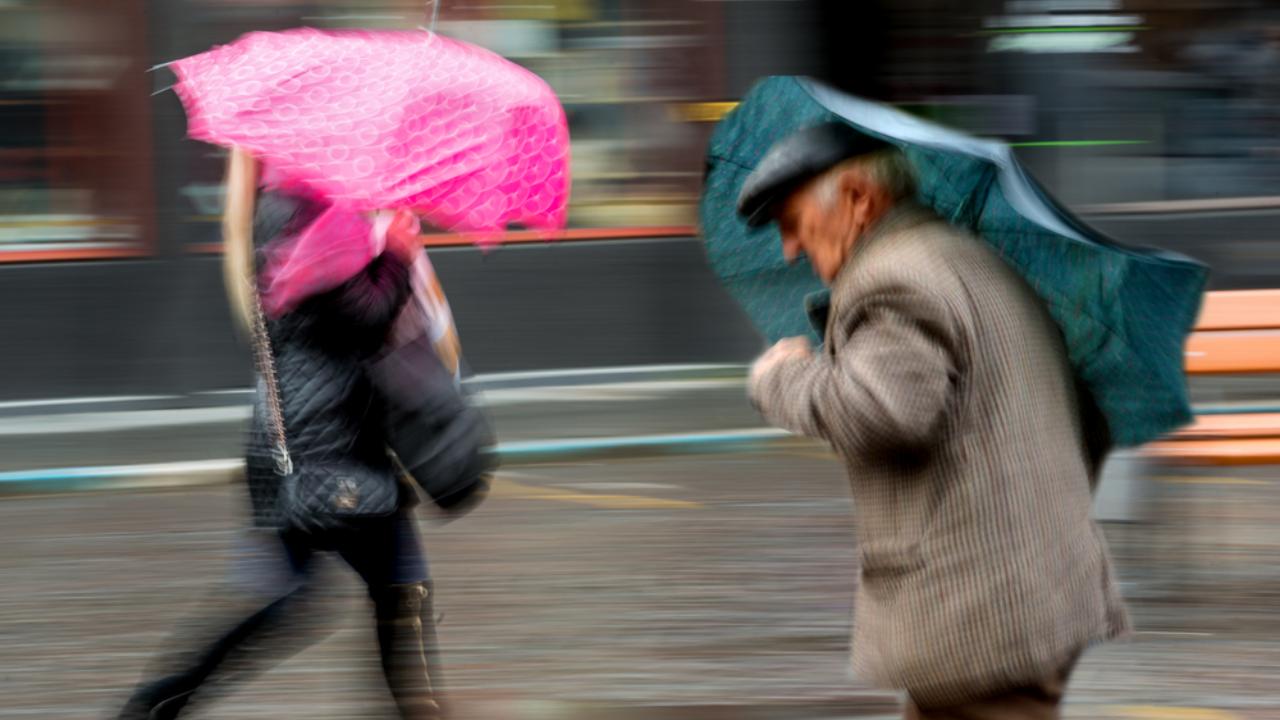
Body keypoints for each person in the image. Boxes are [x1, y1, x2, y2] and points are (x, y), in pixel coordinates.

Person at [738, 123, 1129, 720]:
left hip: (982, 614)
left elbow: (884, 414)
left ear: (859, 199)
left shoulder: (893, 277)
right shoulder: (965, 256)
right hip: (1031, 592)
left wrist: (779, 379)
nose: (789, 247)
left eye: (793, 219)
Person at [118, 148, 447, 719]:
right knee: (392, 587)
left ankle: (161, 700)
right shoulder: (322, 216)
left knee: (347, 590)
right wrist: (395, 251)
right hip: (330, 441)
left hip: (297, 434)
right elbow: (365, 317)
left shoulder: (288, 206)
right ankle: (159, 701)